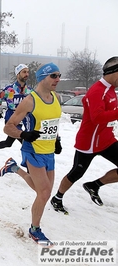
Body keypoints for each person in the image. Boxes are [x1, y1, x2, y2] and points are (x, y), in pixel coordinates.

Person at [0, 63, 61, 246]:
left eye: (59, 76)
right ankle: (35, 230)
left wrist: (57, 140)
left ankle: (14, 168)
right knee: (44, 193)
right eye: (54, 76)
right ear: (43, 77)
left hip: (49, 152)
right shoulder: (30, 101)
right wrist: (23, 134)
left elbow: (53, 123)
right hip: (32, 151)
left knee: (44, 191)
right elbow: (8, 127)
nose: (58, 79)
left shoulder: (57, 97)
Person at [50, 56, 118, 214]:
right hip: (89, 141)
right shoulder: (97, 91)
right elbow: (97, 117)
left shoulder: (111, 90)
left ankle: (94, 185)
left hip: (106, 139)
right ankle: (57, 198)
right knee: (77, 172)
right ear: (114, 72)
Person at [0, 64, 33, 161]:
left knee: (8, 143)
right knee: (26, 143)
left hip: (24, 120)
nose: (27, 74)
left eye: (28, 72)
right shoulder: (10, 90)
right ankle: (31, 166)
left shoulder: (29, 91)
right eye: (24, 72)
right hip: (12, 120)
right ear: (17, 74)